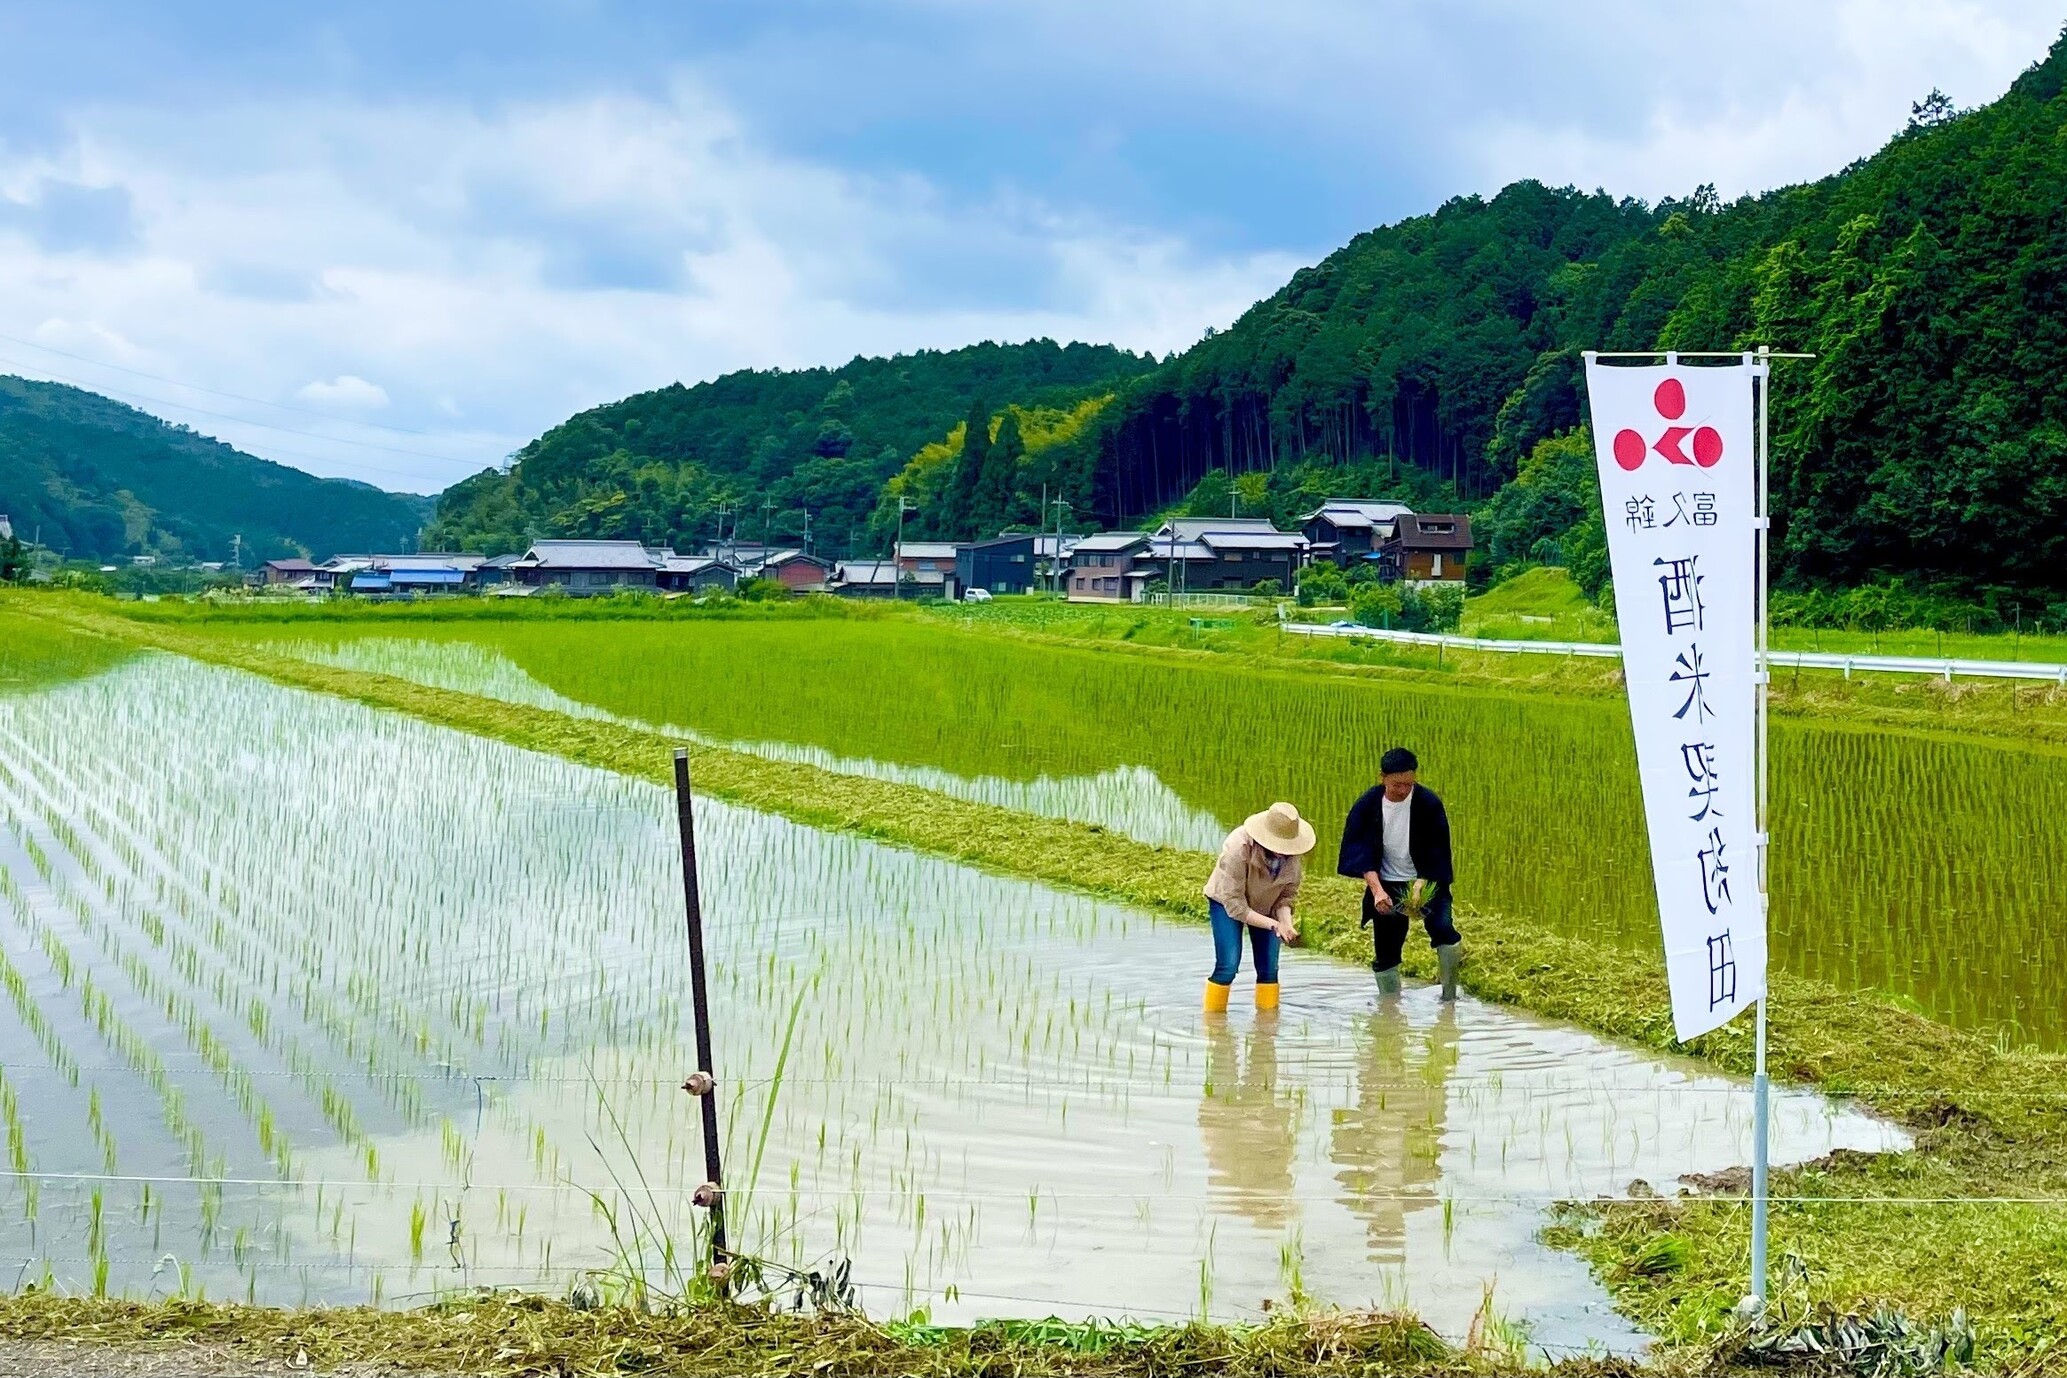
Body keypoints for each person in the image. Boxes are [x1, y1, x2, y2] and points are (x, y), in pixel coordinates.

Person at [1337, 747, 1462, 1000]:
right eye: (1397, 784)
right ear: (1382, 777)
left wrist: (1420, 884)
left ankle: (1450, 998)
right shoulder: (1367, 804)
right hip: (1387, 882)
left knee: (1443, 929)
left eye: (1408, 784)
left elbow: (1437, 848)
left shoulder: (1428, 803)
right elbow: (1360, 852)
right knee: (1386, 950)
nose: (1403, 790)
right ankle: (1390, 1009)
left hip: (1425, 880)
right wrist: (1377, 891)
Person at [1202, 802, 1314, 1012]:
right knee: (1228, 965)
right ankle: (1214, 1029)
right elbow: (1235, 905)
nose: (1283, 852)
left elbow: (1286, 896)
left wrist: (1286, 924)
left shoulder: (1292, 857)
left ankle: (1267, 1031)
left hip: (1268, 904)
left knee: (1269, 969)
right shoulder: (1238, 847)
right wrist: (1273, 925)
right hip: (1227, 902)